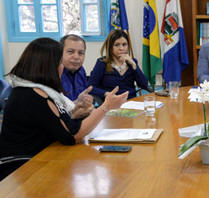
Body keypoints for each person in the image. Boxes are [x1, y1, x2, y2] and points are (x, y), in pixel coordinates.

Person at [0, 38, 128, 159]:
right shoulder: (34, 94)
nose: (62, 67)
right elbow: (73, 135)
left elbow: (58, 123)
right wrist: (106, 107)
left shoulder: (35, 89)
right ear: (49, 66)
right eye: (60, 62)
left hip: (41, 156)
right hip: (22, 165)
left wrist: (75, 108)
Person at [89, 29, 149, 102]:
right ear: (110, 47)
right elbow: (90, 88)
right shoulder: (102, 63)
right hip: (111, 104)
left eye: (124, 44)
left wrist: (134, 66)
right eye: (117, 45)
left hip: (131, 103)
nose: (121, 48)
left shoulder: (132, 62)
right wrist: (106, 94)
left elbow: (144, 85)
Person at [60, 34, 88, 101]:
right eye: (70, 52)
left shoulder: (81, 70)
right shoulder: (54, 74)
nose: (76, 57)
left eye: (81, 53)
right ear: (60, 53)